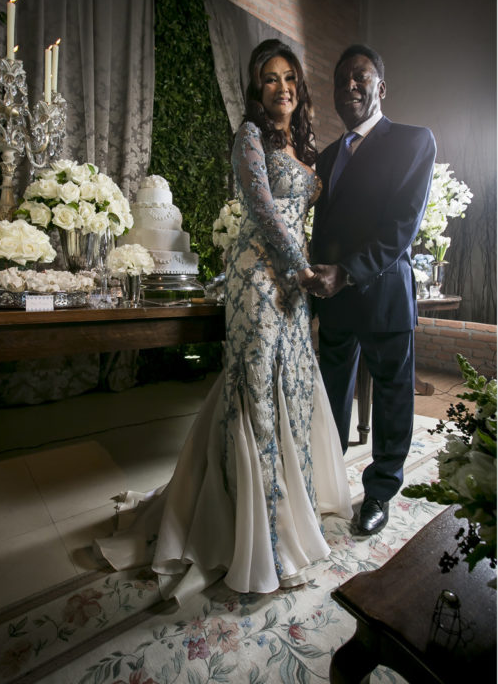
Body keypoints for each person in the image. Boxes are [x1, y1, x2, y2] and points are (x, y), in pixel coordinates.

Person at [94, 39, 352, 602]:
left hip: (296, 283)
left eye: (290, 78)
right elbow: (262, 206)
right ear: (257, 88)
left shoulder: (304, 144)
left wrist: (311, 274)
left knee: (293, 387)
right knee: (256, 390)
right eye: (270, 79)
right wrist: (302, 269)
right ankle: (257, 536)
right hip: (258, 275)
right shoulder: (249, 136)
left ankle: (291, 513)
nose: (282, 88)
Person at [304, 44, 436, 538]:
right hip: (335, 301)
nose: (349, 86)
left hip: (383, 295)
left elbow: (402, 226)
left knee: (393, 397)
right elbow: (322, 229)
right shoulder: (327, 156)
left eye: (360, 77)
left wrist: (346, 272)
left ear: (381, 87)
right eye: (341, 80)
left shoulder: (414, 141)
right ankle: (326, 482)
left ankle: (380, 491)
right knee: (331, 396)